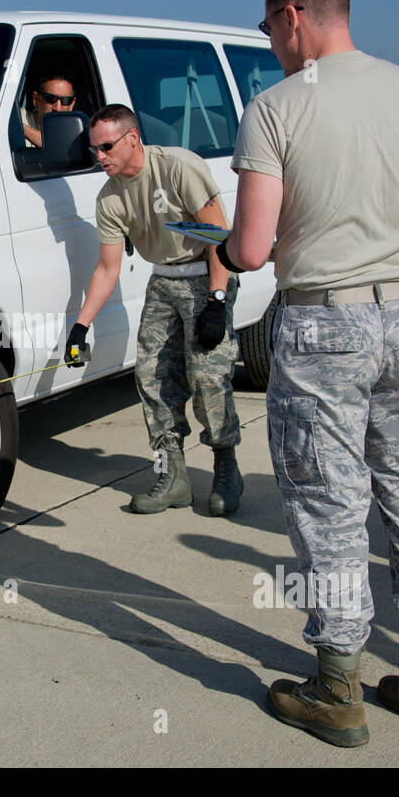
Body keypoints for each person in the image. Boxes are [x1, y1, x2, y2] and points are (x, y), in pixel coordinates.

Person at [217, 0, 399, 746]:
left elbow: (255, 247)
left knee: (328, 500)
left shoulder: (276, 107)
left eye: (268, 25)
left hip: (324, 324)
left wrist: (221, 254)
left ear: (294, 15)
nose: (269, 41)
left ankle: (338, 684)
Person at [65, 103, 243, 516]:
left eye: (107, 146)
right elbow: (108, 268)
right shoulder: (109, 198)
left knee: (208, 378)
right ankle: (174, 478)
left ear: (132, 138)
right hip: (163, 281)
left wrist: (217, 301)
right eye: (95, 149)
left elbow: (218, 237)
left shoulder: (179, 168)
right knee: (153, 378)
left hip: (206, 274)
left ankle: (226, 469)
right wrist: (80, 327)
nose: (100, 156)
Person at [21, 74, 78, 148]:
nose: (57, 108)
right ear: (36, 99)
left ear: (72, 104)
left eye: (65, 100)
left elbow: (58, 147)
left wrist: (23, 129)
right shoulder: (18, 117)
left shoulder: (78, 132)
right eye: (50, 98)